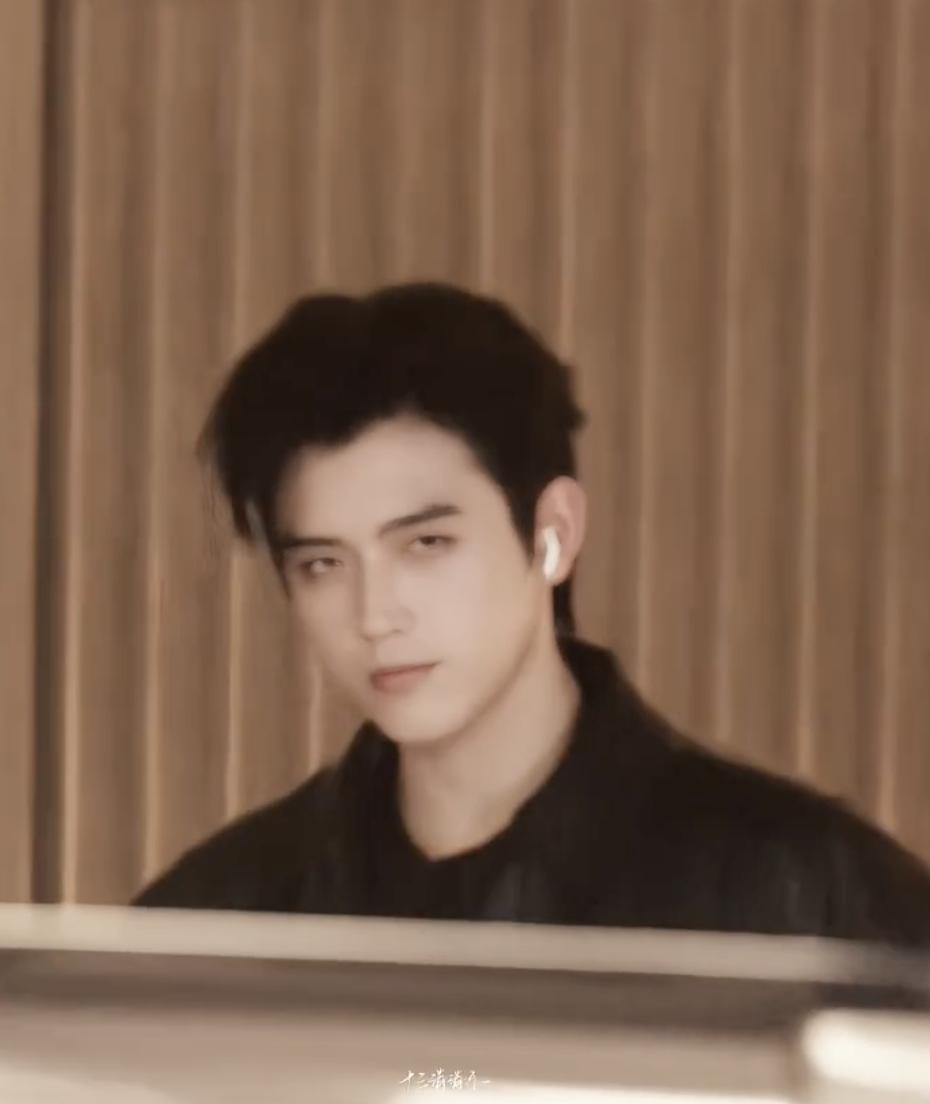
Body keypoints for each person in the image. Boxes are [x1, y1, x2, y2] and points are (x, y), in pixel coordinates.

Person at [135, 282, 930, 942]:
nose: (374, 615)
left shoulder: (807, 898)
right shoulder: (217, 920)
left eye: (426, 545)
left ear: (553, 533)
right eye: (323, 564)